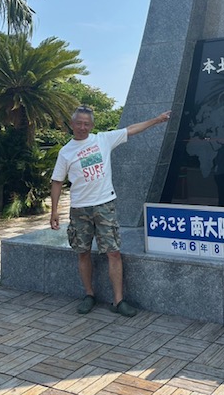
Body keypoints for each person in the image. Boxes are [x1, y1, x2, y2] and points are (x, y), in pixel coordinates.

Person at [50, 105, 171, 317]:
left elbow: (131, 129)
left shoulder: (103, 140)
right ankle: (89, 294)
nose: (82, 127)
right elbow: (57, 182)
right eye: (79, 123)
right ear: (72, 124)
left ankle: (118, 300)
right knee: (82, 252)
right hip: (79, 208)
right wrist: (54, 211)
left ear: (92, 125)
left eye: (87, 124)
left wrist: (157, 119)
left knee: (113, 252)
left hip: (105, 205)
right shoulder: (65, 152)